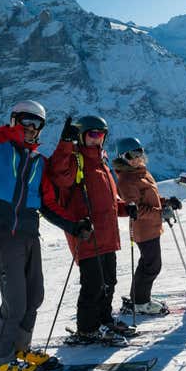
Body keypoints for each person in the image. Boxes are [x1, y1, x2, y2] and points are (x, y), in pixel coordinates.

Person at [0, 30, 89, 371]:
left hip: (28, 233)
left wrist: (73, 226)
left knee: (34, 296)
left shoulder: (37, 162)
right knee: (14, 300)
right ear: (15, 121)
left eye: (37, 125)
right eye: (26, 122)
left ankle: (20, 351)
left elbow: (46, 204)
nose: (31, 129)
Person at [47, 115, 137, 343]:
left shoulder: (102, 164)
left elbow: (110, 201)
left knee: (110, 281)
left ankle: (104, 319)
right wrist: (65, 143)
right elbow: (58, 174)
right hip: (87, 234)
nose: (97, 139)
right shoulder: (74, 160)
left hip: (108, 235)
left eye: (101, 135)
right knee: (93, 284)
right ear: (81, 136)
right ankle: (87, 328)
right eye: (92, 134)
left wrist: (126, 209)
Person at [112, 137, 183, 315]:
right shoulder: (126, 180)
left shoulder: (141, 172)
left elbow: (150, 199)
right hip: (143, 229)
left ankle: (138, 299)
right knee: (151, 265)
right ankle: (141, 302)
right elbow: (135, 209)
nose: (136, 158)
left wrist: (166, 202)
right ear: (122, 158)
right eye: (130, 155)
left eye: (139, 153)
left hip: (152, 227)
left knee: (148, 264)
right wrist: (160, 212)